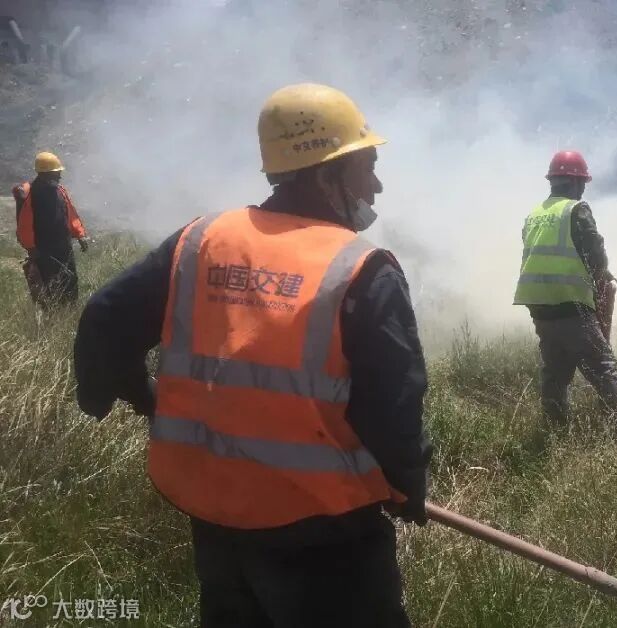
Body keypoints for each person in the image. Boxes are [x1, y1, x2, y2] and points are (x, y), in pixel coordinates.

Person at [73, 83, 431, 627]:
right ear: (326, 174)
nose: (376, 185)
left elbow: (105, 319)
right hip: (325, 532)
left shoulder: (200, 240)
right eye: (368, 167)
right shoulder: (362, 268)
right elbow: (394, 406)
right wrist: (406, 488)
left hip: (216, 516)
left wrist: (137, 397)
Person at [513, 150, 617, 435]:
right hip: (570, 301)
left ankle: (554, 430)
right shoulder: (577, 210)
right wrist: (602, 276)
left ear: (553, 181)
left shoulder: (535, 214)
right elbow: (595, 255)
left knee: (556, 368)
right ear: (576, 183)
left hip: (539, 304)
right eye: (583, 183)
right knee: (603, 367)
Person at [12, 152, 89, 308]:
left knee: (70, 280)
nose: (60, 175)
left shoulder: (60, 191)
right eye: (56, 172)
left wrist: (80, 235)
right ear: (45, 173)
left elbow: (70, 214)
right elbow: (25, 224)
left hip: (64, 246)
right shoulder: (32, 194)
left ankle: (70, 311)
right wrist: (31, 248)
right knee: (50, 284)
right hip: (43, 250)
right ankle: (53, 315)